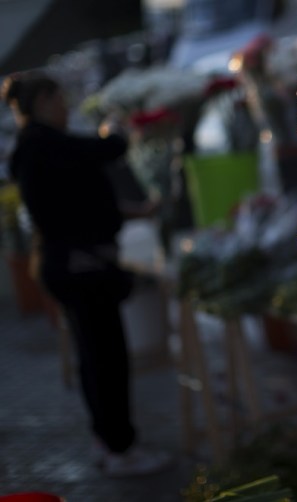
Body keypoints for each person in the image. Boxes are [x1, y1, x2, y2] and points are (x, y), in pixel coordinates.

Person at [1, 71, 171, 478]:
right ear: (42, 101)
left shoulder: (34, 148)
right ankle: (120, 448)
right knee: (105, 359)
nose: (65, 109)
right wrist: (116, 129)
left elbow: (78, 204)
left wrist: (134, 211)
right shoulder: (44, 143)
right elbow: (106, 149)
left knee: (94, 356)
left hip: (67, 266)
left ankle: (108, 440)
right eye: (60, 100)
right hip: (82, 269)